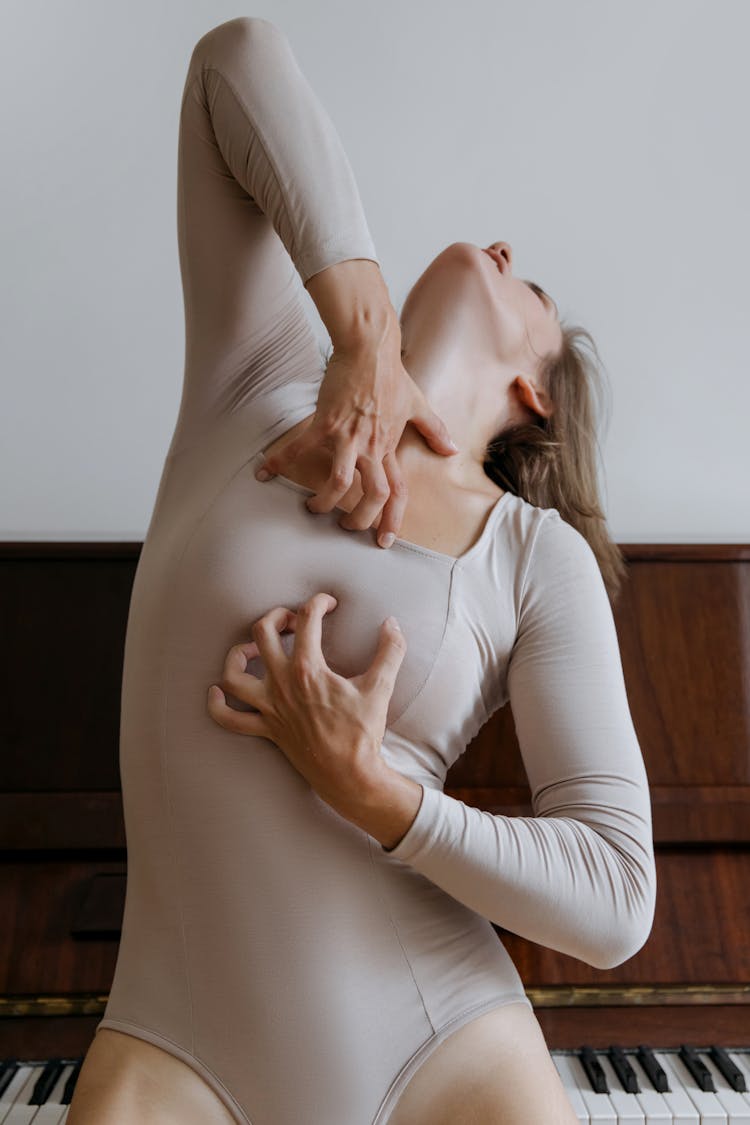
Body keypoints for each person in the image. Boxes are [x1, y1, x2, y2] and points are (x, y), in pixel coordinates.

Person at [67, 16, 656, 1125]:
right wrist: (363, 342)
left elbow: (619, 899)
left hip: (447, 1046)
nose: (505, 252)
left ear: (538, 395)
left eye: (534, 295)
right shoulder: (257, 385)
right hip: (175, 1051)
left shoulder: (534, 555)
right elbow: (232, 61)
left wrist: (375, 793)